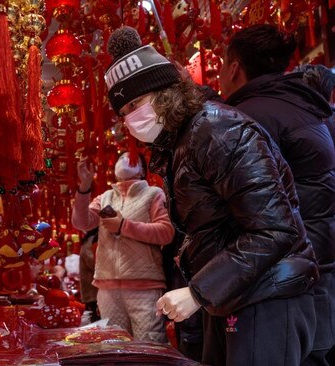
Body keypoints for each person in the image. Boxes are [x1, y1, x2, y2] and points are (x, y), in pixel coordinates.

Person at [104, 26, 318, 365]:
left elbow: (275, 229)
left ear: (165, 92)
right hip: (234, 296)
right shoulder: (181, 143)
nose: (130, 118)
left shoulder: (218, 130)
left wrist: (198, 291)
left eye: (135, 103)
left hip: (267, 296)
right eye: (123, 112)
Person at [220, 25, 335, 365]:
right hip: (323, 265)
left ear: (234, 67)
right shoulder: (311, 108)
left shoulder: (244, 119)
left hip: (277, 282)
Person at [72, 152, 175, 343]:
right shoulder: (105, 197)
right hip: (107, 286)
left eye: (132, 157)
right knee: (113, 346)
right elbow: (81, 222)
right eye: (121, 157)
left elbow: (166, 232)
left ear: (143, 169)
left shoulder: (154, 194)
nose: (125, 160)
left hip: (144, 286)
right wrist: (84, 187)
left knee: (149, 346)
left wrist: (124, 226)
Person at [78, 227, 100, 322]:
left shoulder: (89, 239)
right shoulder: (91, 240)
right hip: (93, 293)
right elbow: (94, 263)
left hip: (93, 293)